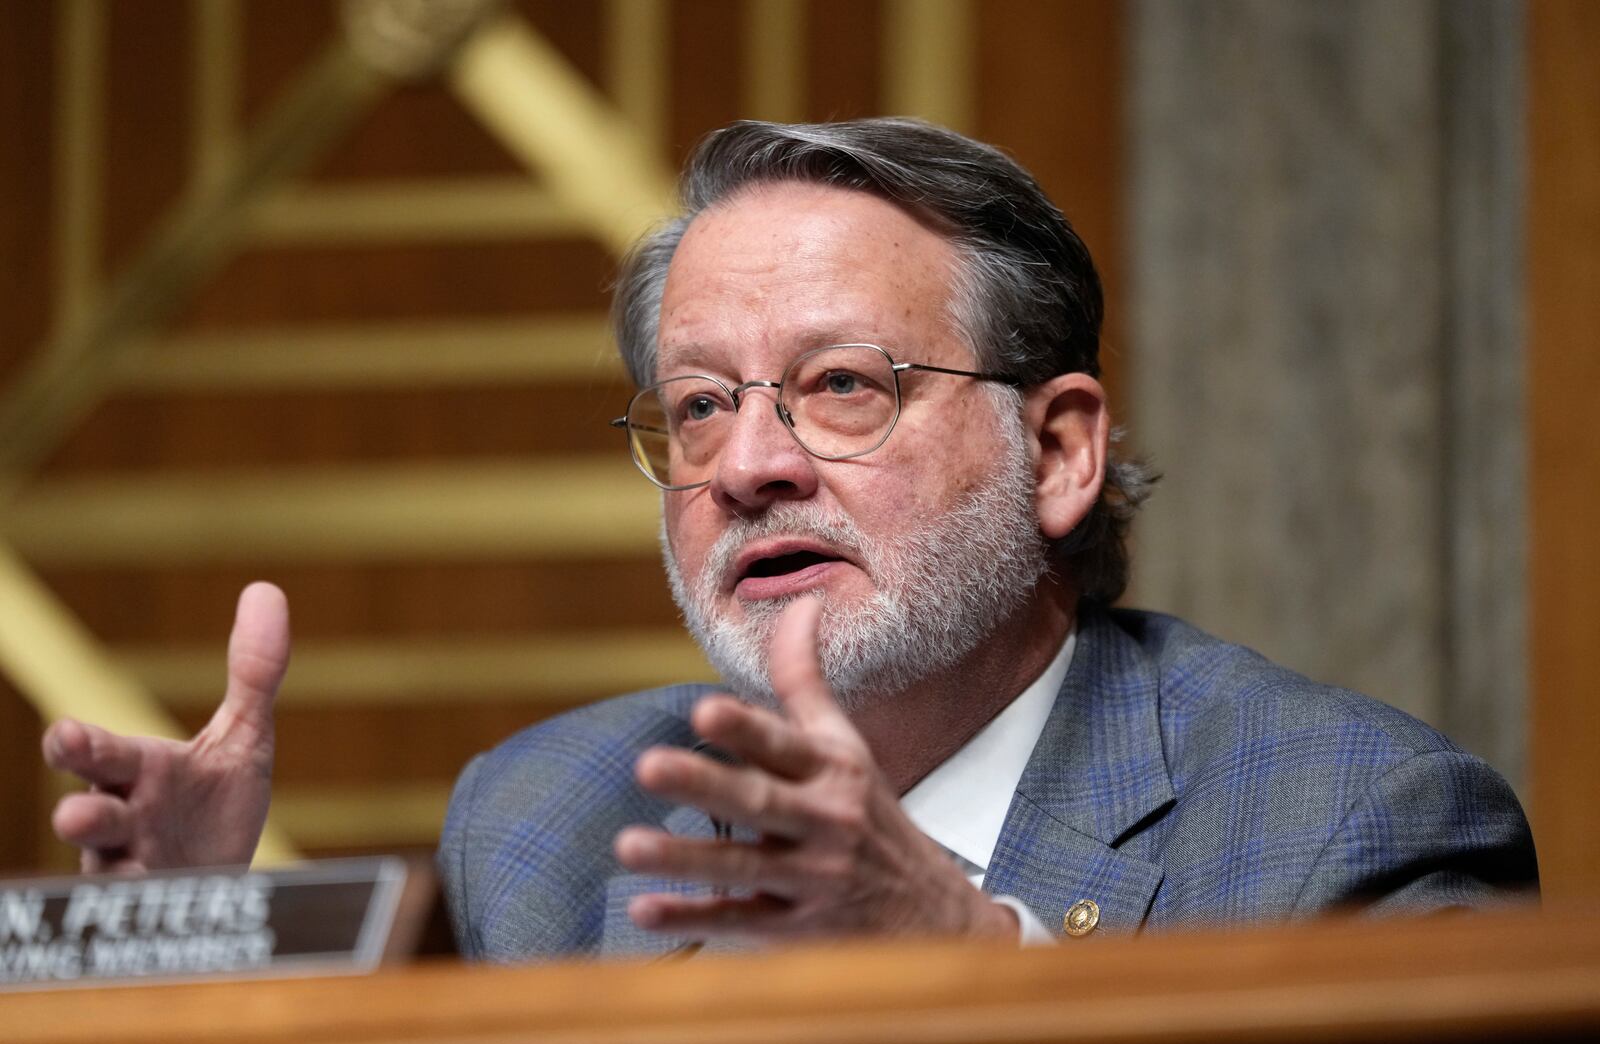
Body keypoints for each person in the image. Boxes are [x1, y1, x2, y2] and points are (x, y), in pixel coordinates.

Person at [41, 118, 1538, 960]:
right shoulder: (543, 824)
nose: (748, 465)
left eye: (840, 388)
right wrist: (205, 952)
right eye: (697, 408)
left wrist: (963, 960)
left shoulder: (1351, 832)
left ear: (1061, 449)